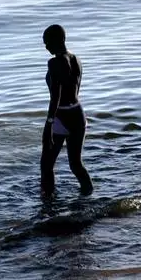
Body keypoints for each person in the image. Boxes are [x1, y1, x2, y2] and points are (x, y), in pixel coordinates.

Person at [41, 24, 93, 195]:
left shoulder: (54, 63)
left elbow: (55, 97)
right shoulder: (76, 59)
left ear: (59, 40)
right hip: (78, 114)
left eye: (48, 42)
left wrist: (49, 124)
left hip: (61, 116)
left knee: (46, 165)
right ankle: (89, 196)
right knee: (76, 165)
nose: (46, 47)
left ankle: (47, 204)